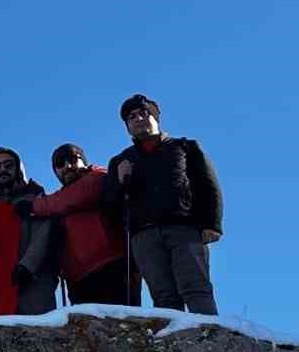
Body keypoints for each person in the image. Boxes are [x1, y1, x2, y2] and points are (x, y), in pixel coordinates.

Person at [103, 94, 222, 314]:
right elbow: (111, 205)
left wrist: (211, 224)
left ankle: (208, 339)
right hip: (143, 236)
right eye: (131, 117)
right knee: (163, 295)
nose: (139, 119)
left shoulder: (185, 147)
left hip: (184, 227)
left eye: (144, 113)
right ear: (127, 127)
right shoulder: (120, 161)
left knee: (196, 287)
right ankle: (174, 344)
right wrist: (120, 182)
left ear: (156, 118)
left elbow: (208, 185)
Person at [17, 143, 135, 305]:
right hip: (78, 279)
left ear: (84, 161)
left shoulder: (97, 177)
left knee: (122, 322)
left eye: (73, 159)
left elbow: (72, 197)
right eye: (60, 163)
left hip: (112, 266)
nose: (67, 166)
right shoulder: (56, 200)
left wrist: (33, 206)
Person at [0, 146, 57, 315]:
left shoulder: (37, 199)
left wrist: (26, 266)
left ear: (19, 169)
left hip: (35, 283)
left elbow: (43, 234)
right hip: (0, 286)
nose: (3, 170)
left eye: (8, 165)